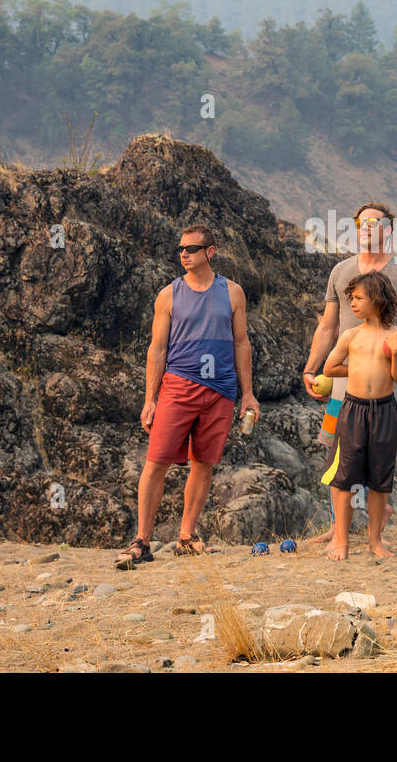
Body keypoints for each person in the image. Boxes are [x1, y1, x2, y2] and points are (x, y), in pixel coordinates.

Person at [116, 226, 260, 568]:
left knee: (203, 462)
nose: (184, 253)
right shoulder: (168, 294)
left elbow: (241, 343)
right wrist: (150, 399)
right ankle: (141, 541)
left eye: (192, 248)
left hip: (221, 390)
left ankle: (187, 537)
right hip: (179, 386)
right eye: (181, 248)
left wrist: (248, 395)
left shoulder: (233, 292)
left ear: (210, 251)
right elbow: (157, 349)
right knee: (156, 462)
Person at [301, 201, 397, 543]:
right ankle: (337, 528)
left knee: (380, 452)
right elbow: (328, 326)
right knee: (337, 452)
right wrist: (311, 368)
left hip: (386, 382)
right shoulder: (340, 271)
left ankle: (377, 524)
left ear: (389, 230)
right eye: (360, 223)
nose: (365, 228)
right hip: (343, 379)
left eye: (374, 223)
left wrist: (391, 353)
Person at [319, 272, 397, 560]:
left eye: (358, 298)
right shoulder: (351, 335)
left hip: (385, 411)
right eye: (352, 299)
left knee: (380, 479)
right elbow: (330, 368)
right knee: (345, 477)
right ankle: (342, 541)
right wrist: (356, 369)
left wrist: (396, 355)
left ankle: (375, 541)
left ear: (377, 300)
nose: (353, 304)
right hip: (353, 410)